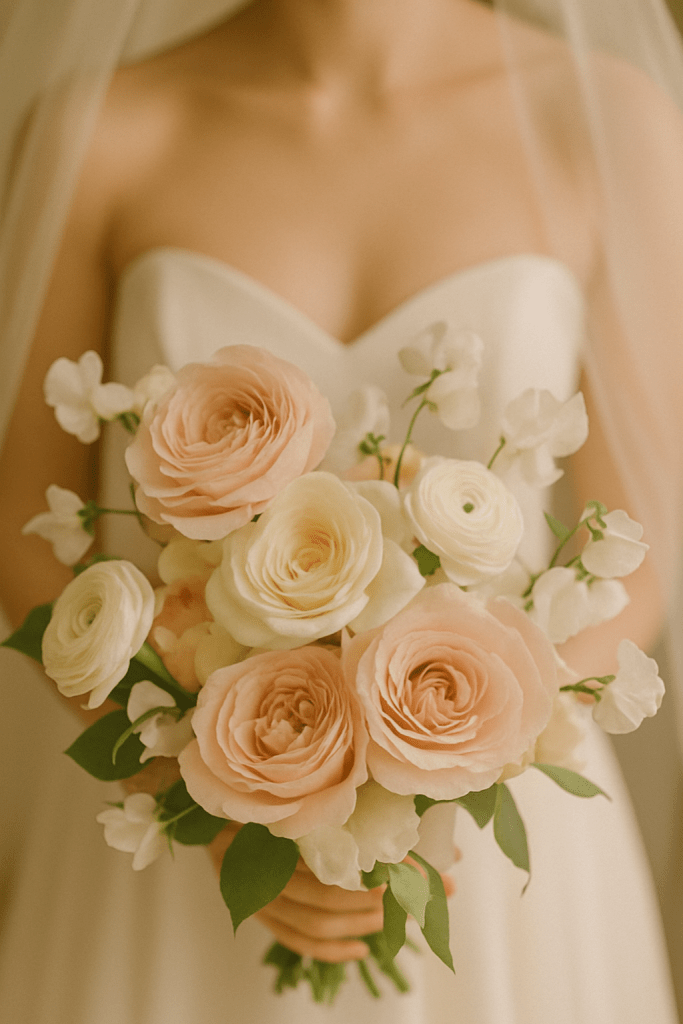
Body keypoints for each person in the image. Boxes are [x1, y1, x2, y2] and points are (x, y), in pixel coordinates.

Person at [0, 0, 681, 1020]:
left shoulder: (605, 118)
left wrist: (443, 769)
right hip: (169, 844)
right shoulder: (102, 128)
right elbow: (23, 528)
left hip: (492, 858)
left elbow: (641, 547)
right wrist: (213, 800)